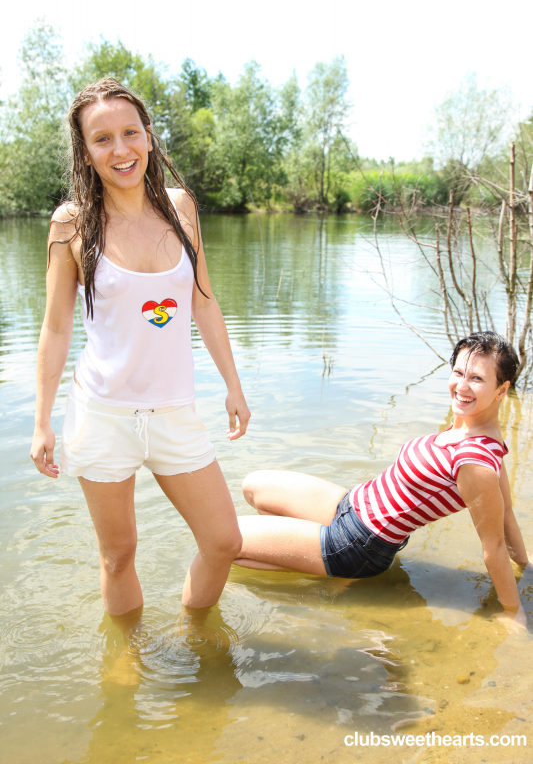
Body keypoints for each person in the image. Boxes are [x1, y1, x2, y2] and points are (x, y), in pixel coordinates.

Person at [30, 78, 250, 615]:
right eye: (102, 138)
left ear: (149, 137)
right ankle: (127, 669)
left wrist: (233, 386)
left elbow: (203, 301)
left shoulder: (181, 208)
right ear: (85, 151)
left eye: (130, 132)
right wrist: (41, 422)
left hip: (174, 411)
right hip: (102, 412)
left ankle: (197, 642)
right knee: (118, 555)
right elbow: (56, 327)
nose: (120, 149)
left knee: (224, 542)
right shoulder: (72, 224)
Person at [235, 332, 530, 630]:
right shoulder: (480, 435)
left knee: (226, 542)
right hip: (350, 505)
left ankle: (332, 576)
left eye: (477, 379)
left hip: (360, 544)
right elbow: (505, 513)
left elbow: (492, 545)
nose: (462, 386)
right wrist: (527, 566)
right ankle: (312, 559)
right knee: (253, 487)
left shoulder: (475, 462)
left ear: (501, 390)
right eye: (458, 372)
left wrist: (511, 610)